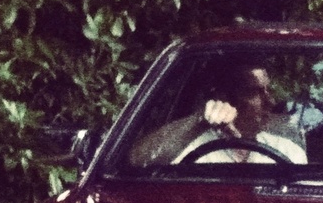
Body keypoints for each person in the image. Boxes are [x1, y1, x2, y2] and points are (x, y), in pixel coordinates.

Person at [128, 61, 306, 167]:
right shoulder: (188, 148)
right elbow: (137, 161)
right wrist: (199, 120)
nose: (270, 102)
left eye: (267, 91)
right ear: (224, 98)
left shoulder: (288, 151)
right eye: (254, 93)